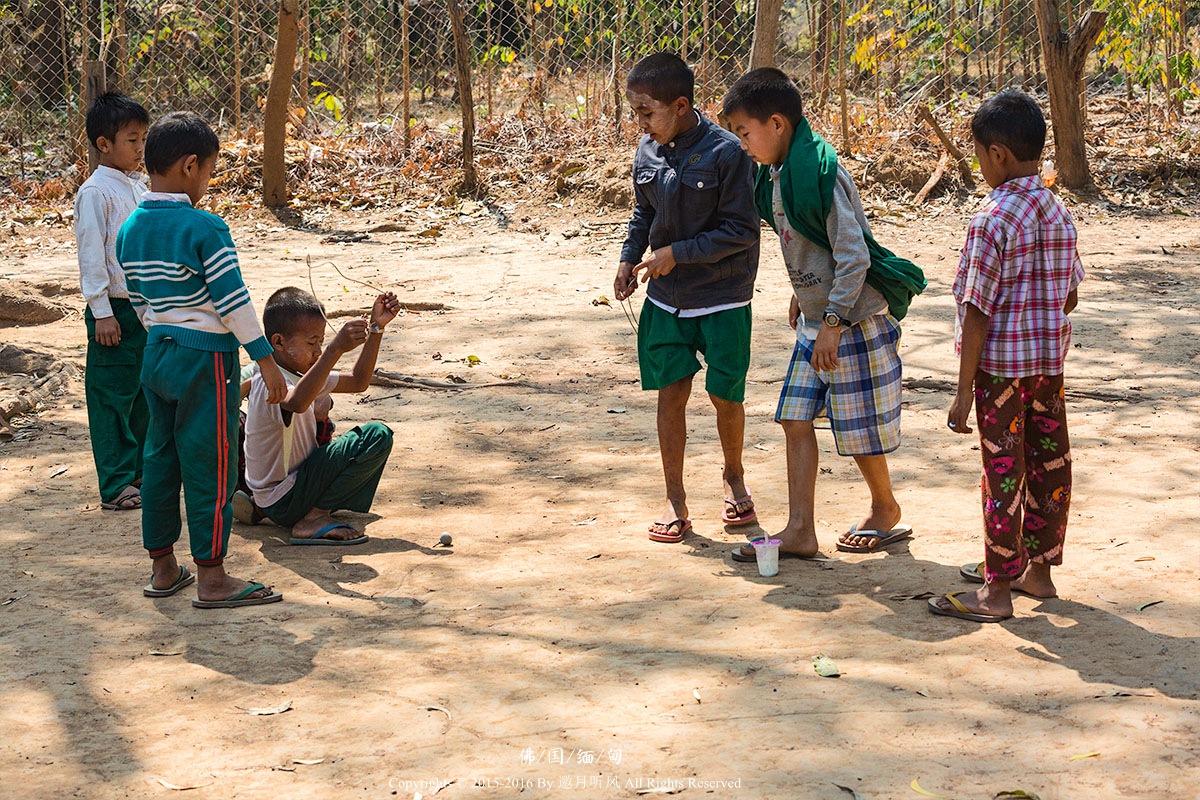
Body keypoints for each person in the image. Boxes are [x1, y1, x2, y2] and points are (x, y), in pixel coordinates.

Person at [722, 68, 925, 563]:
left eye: (745, 133)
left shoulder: (821, 172)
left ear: (777, 123)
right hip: (819, 317)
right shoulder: (775, 171)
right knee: (794, 417)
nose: (743, 144)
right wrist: (804, 295)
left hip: (854, 320)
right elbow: (809, 244)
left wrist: (832, 320)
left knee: (857, 432)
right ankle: (800, 531)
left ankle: (884, 507)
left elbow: (852, 255)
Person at [116, 111, 288, 608]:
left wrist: (163, 331)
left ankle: (164, 568)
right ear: (191, 166)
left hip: (156, 352)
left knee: (159, 459)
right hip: (204, 359)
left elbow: (138, 300)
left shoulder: (130, 227)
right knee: (211, 462)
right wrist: (266, 360)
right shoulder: (206, 228)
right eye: (209, 171)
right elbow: (234, 302)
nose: (208, 183)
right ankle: (213, 576)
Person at [930, 90, 1083, 623]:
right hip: (1048, 369)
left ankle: (996, 590)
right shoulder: (1058, 211)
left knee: (1003, 475)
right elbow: (1069, 296)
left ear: (996, 154)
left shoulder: (991, 220)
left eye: (977, 154)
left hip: (1000, 377)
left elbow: (976, 312)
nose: (978, 165)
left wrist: (960, 394)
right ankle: (1038, 573)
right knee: (1049, 464)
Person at [612, 52, 761, 543]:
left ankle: (734, 478)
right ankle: (674, 498)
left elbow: (741, 230)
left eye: (646, 112)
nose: (639, 122)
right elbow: (642, 213)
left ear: (680, 105)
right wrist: (627, 258)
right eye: (635, 111)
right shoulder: (646, 149)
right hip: (666, 300)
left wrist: (677, 253)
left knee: (724, 394)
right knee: (670, 392)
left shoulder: (729, 152)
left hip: (723, 298)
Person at [238, 287, 399, 544]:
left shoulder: (301, 374)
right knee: (375, 436)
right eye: (312, 343)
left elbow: (359, 381)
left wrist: (376, 329)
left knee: (348, 443)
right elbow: (297, 402)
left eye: (322, 342)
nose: (318, 352)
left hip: (287, 491)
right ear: (278, 342)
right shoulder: (271, 381)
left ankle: (301, 510)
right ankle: (313, 517)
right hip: (284, 497)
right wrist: (334, 350)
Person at [74, 92, 150, 511]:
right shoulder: (95, 193)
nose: (140, 149)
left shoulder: (136, 186)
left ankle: (140, 472)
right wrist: (101, 312)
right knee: (111, 398)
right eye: (132, 140)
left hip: (142, 308)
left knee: (141, 392)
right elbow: (91, 255)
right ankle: (116, 483)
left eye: (143, 140)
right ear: (104, 144)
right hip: (114, 311)